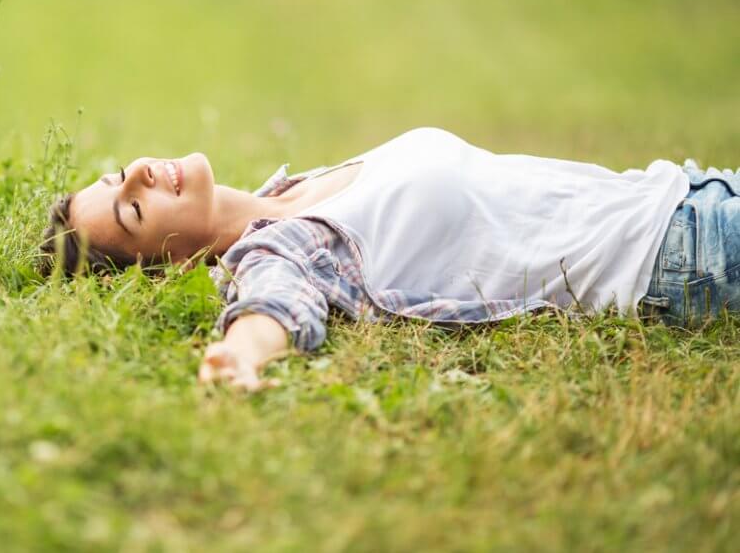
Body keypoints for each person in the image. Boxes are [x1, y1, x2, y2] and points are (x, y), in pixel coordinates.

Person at [39, 127, 740, 391]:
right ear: (178, 265)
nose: (137, 173)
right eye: (133, 210)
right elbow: (275, 306)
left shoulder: (288, 190)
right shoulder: (290, 247)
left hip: (682, 191)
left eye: (115, 178)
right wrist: (242, 356)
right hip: (684, 256)